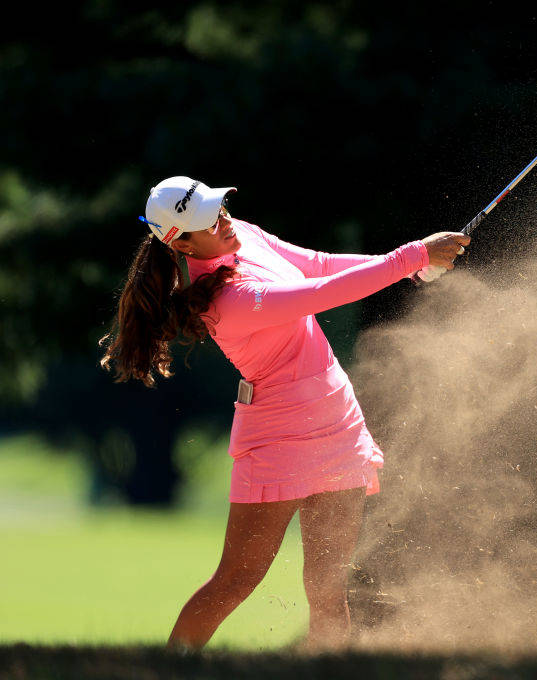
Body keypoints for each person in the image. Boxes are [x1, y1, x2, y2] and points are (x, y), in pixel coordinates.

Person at [99, 176, 469, 651]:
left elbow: (317, 265)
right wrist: (412, 256)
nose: (225, 220)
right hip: (280, 438)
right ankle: (169, 669)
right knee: (236, 580)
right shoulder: (225, 301)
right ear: (181, 241)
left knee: (329, 587)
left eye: (221, 209)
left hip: (338, 421)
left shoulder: (240, 234)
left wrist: (409, 269)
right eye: (210, 221)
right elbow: (320, 294)